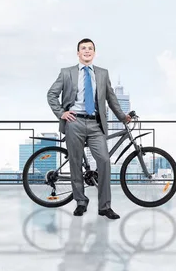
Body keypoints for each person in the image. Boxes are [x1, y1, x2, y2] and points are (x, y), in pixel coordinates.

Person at [47, 38, 131, 219]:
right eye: (83, 48)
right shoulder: (66, 73)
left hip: (95, 124)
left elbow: (111, 99)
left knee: (105, 161)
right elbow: (52, 94)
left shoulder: (102, 73)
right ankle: (80, 202)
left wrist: (123, 117)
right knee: (75, 163)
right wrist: (61, 113)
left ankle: (105, 207)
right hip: (74, 122)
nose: (86, 51)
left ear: (94, 53)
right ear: (78, 53)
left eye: (90, 48)